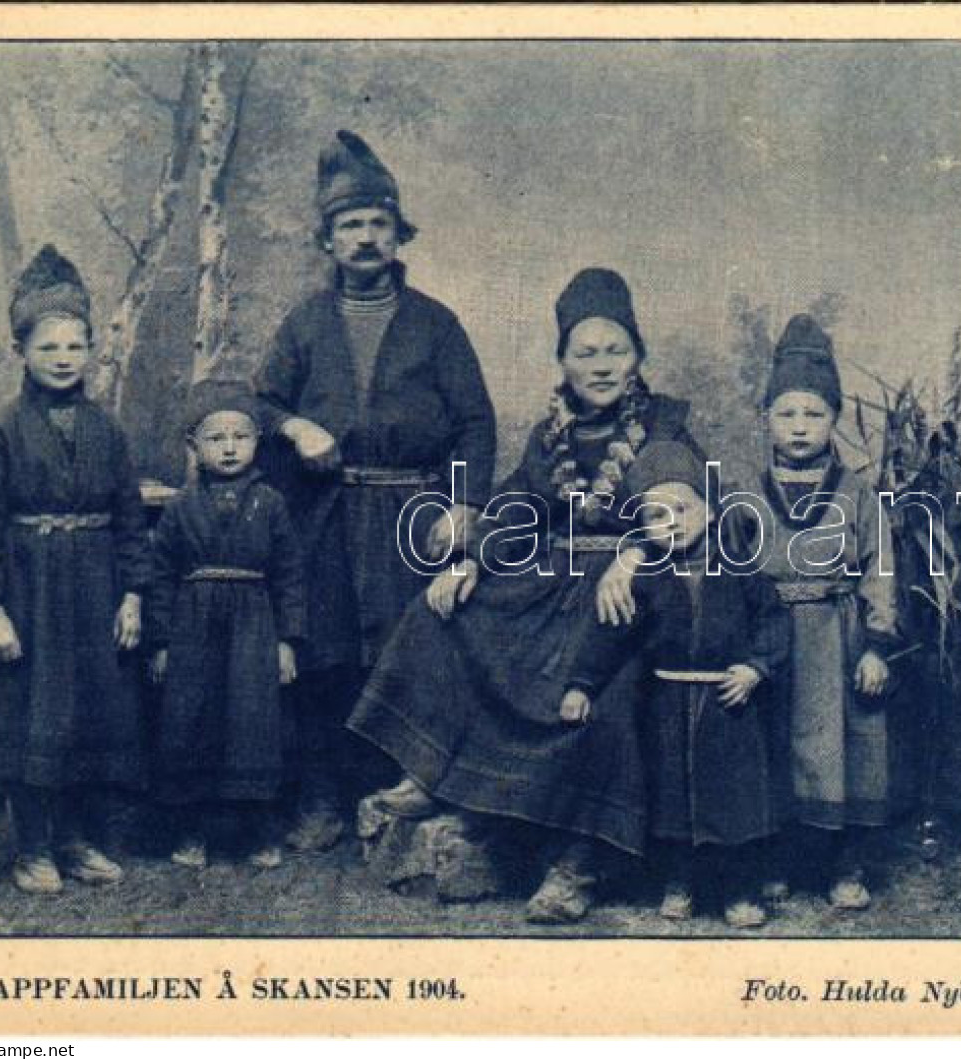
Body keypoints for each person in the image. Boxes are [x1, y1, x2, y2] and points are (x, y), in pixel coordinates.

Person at [349, 267, 704, 922]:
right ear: (563, 361)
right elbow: (519, 506)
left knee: (610, 695)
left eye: (614, 351)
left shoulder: (665, 430)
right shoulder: (553, 437)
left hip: (630, 598)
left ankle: (580, 862)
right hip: (554, 583)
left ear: (638, 357)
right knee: (443, 613)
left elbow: (686, 510)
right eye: (584, 352)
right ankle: (437, 773)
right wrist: (472, 559)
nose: (600, 366)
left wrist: (633, 558)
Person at [254, 130, 498, 852]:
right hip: (324, 516)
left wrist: (461, 504)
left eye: (377, 224)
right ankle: (323, 798)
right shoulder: (303, 323)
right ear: (327, 240)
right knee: (325, 656)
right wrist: (296, 424)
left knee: (409, 653)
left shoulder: (435, 323)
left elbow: (475, 424)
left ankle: (398, 796)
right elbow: (259, 402)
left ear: (398, 235)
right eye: (349, 226)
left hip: (409, 517)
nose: (364, 238)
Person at [0, 245, 149, 894]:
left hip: (94, 588)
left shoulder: (109, 430)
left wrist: (132, 595)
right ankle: (33, 847)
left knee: (86, 716)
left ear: (92, 349)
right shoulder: (2, 432)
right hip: (29, 590)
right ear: (22, 351)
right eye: (49, 347)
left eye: (76, 345)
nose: (64, 358)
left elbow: (131, 518)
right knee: (32, 717)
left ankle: (75, 841)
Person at [556, 441, 789, 928]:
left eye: (683, 509)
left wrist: (755, 669)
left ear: (709, 509)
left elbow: (773, 623)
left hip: (731, 705)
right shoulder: (643, 578)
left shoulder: (741, 569)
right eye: (657, 515)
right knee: (672, 801)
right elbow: (608, 635)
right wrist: (581, 685)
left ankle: (739, 890)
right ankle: (678, 883)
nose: (673, 522)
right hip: (666, 704)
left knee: (735, 804)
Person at [744, 314, 903, 911]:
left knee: (845, 751)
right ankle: (778, 862)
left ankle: (845, 866)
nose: (800, 427)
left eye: (814, 413)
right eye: (786, 413)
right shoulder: (746, 492)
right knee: (774, 750)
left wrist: (875, 645)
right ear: (766, 420)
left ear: (834, 419)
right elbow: (730, 570)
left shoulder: (857, 494)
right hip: (772, 643)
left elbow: (879, 567)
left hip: (837, 642)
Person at [147, 381, 306, 870]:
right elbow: (159, 578)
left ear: (258, 441)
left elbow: (291, 575)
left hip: (254, 630)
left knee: (253, 724)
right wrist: (160, 644)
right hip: (193, 631)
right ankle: (192, 831)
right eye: (217, 438)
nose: (231, 447)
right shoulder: (179, 509)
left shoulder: (271, 503)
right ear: (194, 446)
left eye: (241, 436)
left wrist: (287, 642)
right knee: (192, 721)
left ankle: (258, 833)